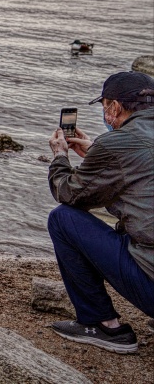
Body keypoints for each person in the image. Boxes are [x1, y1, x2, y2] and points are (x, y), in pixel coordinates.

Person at [45, 70, 154, 354]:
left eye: (106, 106)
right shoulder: (120, 145)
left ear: (114, 107)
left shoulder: (116, 143)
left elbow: (69, 194)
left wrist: (60, 157)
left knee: (63, 219)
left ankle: (102, 325)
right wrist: (97, 152)